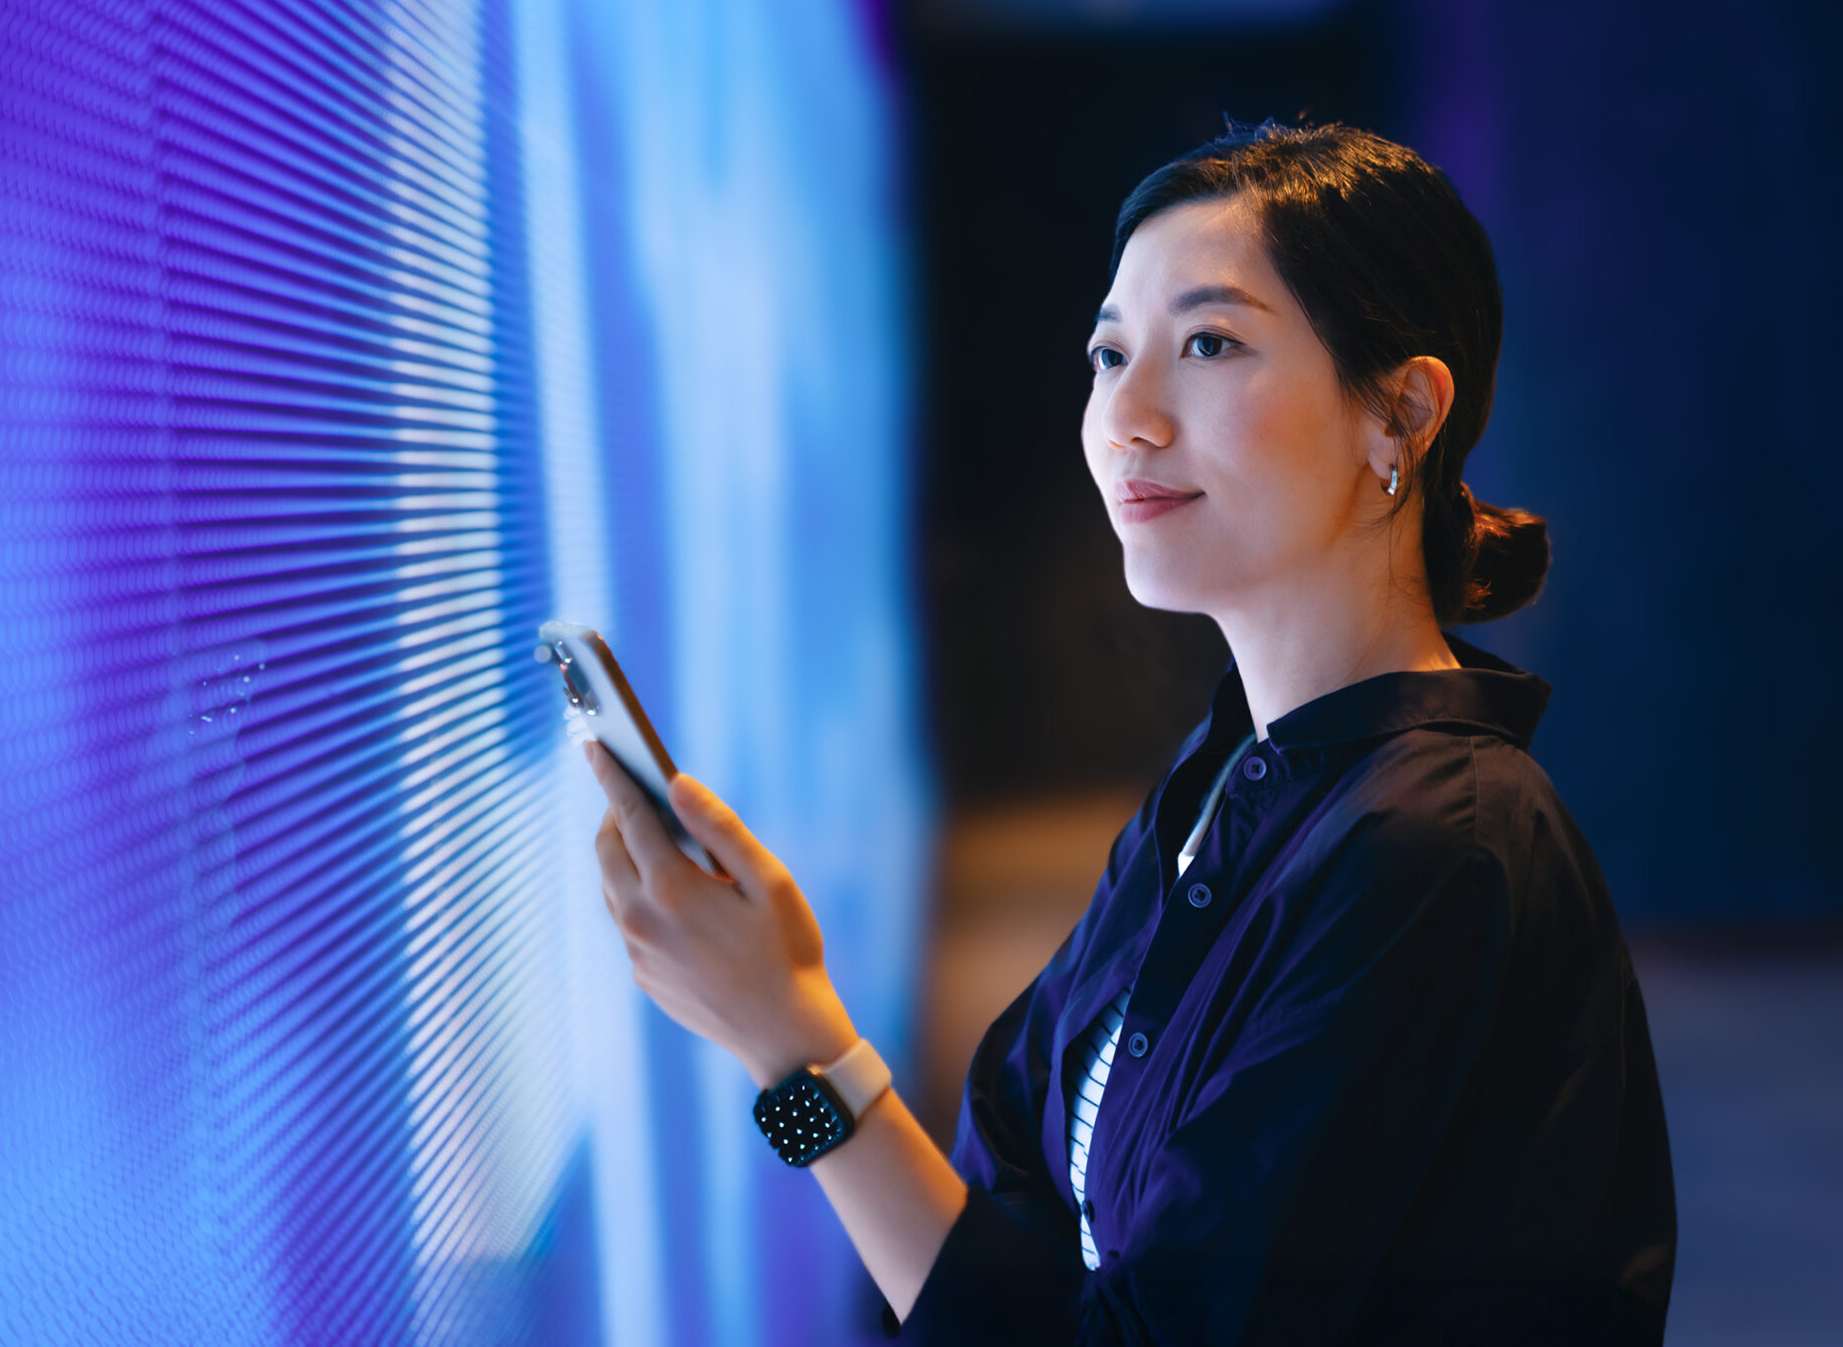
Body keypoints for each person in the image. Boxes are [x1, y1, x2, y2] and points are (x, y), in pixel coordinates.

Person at [582, 121, 1675, 1344]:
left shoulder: (1429, 853)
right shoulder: (1224, 785)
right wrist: (791, 1049)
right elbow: (1011, 1198)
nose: (1127, 419)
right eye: (1110, 354)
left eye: (1209, 344)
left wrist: (790, 1043)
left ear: (1401, 417)